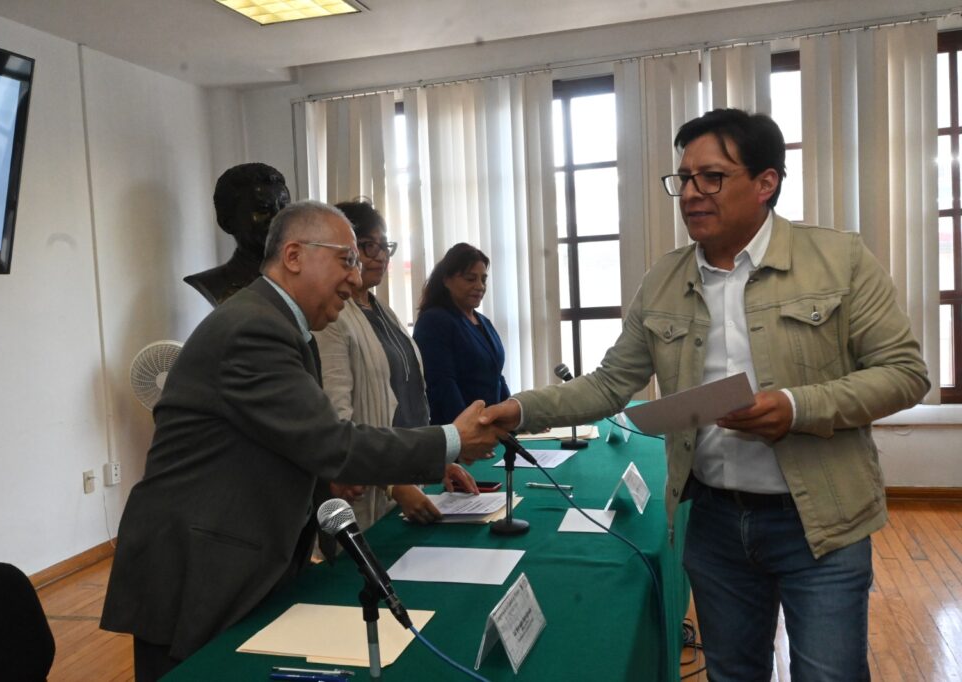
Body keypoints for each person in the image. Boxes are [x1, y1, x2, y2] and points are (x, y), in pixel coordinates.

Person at [481, 109, 930, 681]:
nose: (690, 193)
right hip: (715, 523)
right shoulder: (664, 279)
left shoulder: (838, 259)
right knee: (732, 673)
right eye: (683, 178)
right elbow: (612, 383)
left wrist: (796, 408)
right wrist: (519, 410)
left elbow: (904, 372)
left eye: (711, 177)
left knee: (829, 674)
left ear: (766, 182)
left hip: (821, 522)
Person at [101, 200, 503, 681]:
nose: (356, 278)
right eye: (348, 258)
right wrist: (449, 441)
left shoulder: (286, 325)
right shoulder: (255, 328)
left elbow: (283, 439)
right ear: (294, 256)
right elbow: (333, 443)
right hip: (199, 566)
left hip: (246, 554)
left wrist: (322, 480)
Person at [316, 200, 478, 526]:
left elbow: (410, 396)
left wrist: (432, 461)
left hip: (406, 478)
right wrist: (394, 484)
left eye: (384, 246)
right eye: (367, 246)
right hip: (368, 492)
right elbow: (340, 422)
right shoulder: (333, 318)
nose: (379, 256)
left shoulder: (383, 311)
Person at [413, 243, 511, 425]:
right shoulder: (434, 320)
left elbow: (496, 376)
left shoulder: (483, 322)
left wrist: (511, 418)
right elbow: (442, 385)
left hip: (491, 430)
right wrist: (469, 430)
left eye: (483, 279)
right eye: (470, 279)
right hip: (460, 434)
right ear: (446, 280)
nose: (480, 286)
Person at [183, 163, 291, 307]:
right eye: (263, 210)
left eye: (285, 209)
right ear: (227, 222)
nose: (278, 219)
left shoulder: (305, 276)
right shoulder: (215, 284)